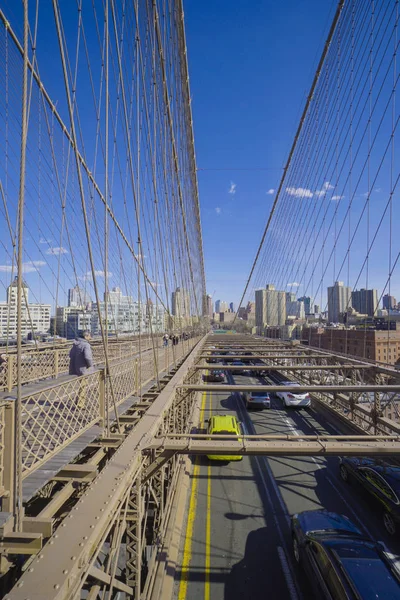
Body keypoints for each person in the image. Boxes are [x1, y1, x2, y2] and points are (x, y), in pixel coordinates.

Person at [69, 330, 94, 409]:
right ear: (86, 336)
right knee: (83, 386)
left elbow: (70, 355)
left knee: (82, 385)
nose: (91, 337)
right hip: (84, 368)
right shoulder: (86, 345)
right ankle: (80, 404)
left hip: (76, 367)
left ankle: (78, 400)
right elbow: (88, 357)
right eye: (90, 335)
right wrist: (90, 365)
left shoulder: (75, 344)